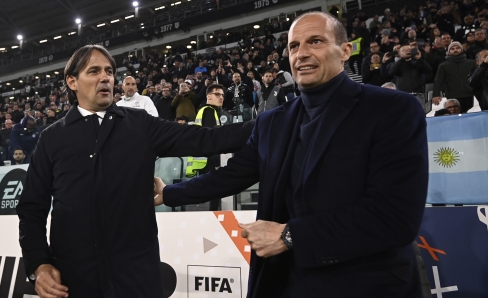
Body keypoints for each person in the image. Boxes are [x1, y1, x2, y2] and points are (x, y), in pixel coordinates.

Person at [155, 11, 428, 297]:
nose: (302, 54)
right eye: (294, 46)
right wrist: (171, 193)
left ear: (345, 50)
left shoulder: (392, 109)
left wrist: (290, 235)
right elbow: (230, 176)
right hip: (286, 281)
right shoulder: (272, 121)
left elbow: (395, 218)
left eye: (316, 41)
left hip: (366, 282)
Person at [16, 45, 254, 298]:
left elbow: (206, 139)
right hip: (74, 279)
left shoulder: (141, 124)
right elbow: (32, 207)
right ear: (72, 81)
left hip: (136, 279)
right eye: (94, 71)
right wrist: (38, 264)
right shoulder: (52, 138)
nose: (105, 77)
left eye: (109, 71)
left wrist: (274, 122)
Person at [432, 42, 476, 112]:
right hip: (452, 96)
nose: (455, 50)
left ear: (461, 50)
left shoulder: (471, 63)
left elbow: (478, 78)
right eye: (452, 49)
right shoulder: (443, 66)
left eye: (457, 48)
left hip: (471, 95)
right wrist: (436, 94)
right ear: (448, 52)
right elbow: (438, 81)